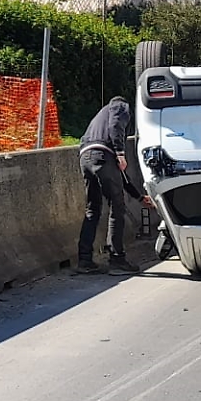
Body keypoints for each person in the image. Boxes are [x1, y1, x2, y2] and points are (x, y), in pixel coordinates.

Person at [77, 96, 150, 275]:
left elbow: (120, 175)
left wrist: (139, 197)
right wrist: (120, 151)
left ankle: (84, 260)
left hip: (85, 157)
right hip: (103, 155)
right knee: (117, 207)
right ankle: (117, 259)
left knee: (92, 209)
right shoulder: (119, 106)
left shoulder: (99, 118)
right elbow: (116, 125)